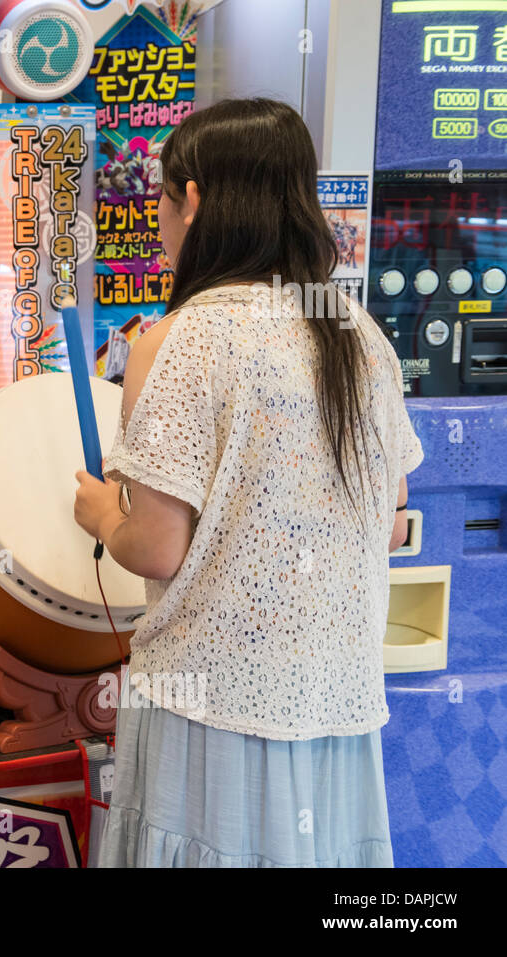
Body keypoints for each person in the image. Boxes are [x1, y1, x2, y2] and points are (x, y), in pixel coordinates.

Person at [73, 98, 423, 868]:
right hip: (335, 699)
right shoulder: (357, 331)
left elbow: (157, 546)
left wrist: (103, 512)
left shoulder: (181, 337)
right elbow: (393, 523)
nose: (161, 224)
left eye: (161, 201)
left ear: (193, 198)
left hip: (210, 705)